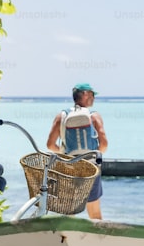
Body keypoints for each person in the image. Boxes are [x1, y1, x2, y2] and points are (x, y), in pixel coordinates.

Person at [46, 83, 108, 219]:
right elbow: (104, 144)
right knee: (95, 213)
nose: (93, 98)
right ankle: (97, 239)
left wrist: (65, 155)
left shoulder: (61, 116)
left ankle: (67, 239)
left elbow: (50, 145)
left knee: (69, 212)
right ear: (85, 94)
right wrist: (93, 156)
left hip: (69, 167)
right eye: (92, 95)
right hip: (90, 167)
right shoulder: (94, 116)